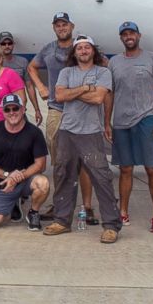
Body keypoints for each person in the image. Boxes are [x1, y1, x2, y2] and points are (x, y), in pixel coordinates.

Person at [43, 35, 122, 243]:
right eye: (80, 48)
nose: (84, 51)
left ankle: (111, 225)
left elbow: (98, 99)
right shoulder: (66, 72)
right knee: (63, 175)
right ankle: (62, 220)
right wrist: (86, 88)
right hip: (67, 131)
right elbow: (59, 97)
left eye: (87, 48)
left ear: (93, 51)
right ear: (74, 52)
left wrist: (73, 92)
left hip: (91, 132)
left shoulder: (103, 72)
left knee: (101, 178)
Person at [29, 12, 96, 223]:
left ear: (72, 26)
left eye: (64, 24)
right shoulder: (48, 49)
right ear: (53, 28)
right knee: (60, 162)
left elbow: (101, 65)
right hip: (57, 110)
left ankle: (87, 207)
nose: (61, 28)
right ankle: (60, 204)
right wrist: (41, 86)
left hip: (81, 110)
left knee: (85, 162)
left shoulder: (81, 47)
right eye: (57, 25)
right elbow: (32, 67)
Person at [105, 21, 153, 233]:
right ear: (121, 38)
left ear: (139, 36)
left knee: (152, 168)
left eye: (131, 33)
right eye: (124, 34)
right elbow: (110, 94)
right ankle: (123, 212)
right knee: (125, 169)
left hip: (146, 119)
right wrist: (107, 122)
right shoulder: (114, 62)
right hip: (122, 122)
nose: (128, 36)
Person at [0, 94, 50, 230]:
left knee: (43, 183)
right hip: (2, 182)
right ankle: (11, 206)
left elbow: (41, 164)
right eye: (7, 110)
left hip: (25, 180)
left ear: (23, 109)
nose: (12, 113)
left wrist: (18, 177)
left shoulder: (35, 133)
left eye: (15, 108)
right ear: (3, 112)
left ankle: (33, 212)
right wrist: (8, 175)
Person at [0, 31, 42, 125]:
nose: (7, 46)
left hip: (18, 109)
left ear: (13, 44)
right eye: (3, 44)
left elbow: (29, 86)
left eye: (9, 43)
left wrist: (37, 109)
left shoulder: (22, 62)